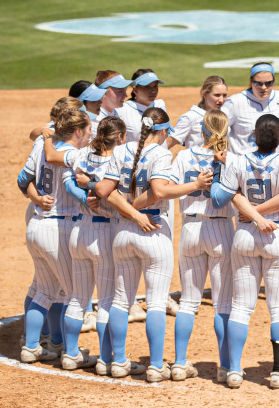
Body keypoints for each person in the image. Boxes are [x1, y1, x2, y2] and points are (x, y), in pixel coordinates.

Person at [95, 108, 211, 382]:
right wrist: (193, 184)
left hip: (123, 233)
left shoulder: (121, 150)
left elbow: (102, 191)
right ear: (164, 131)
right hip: (153, 232)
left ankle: (119, 362)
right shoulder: (160, 153)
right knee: (157, 302)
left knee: (121, 300)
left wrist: (130, 210)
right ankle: (157, 366)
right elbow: (159, 191)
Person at [210, 114, 279, 390]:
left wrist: (218, 169)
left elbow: (217, 199)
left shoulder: (238, 160)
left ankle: (234, 370)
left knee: (240, 306)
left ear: (254, 136)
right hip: (277, 235)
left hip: (245, 235)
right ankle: (277, 373)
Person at [42, 116, 126, 374]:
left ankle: (70, 354)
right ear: (121, 138)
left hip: (79, 231)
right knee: (108, 299)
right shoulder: (119, 159)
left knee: (77, 298)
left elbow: (58, 166)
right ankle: (105, 359)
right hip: (105, 233)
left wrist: (45, 135)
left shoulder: (81, 155)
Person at [18, 110, 92, 364]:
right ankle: (70, 353)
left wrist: (37, 199)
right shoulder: (72, 153)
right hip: (58, 228)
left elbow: (23, 179)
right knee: (73, 295)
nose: (91, 134)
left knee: (45, 291)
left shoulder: (41, 146)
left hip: (36, 225)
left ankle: (31, 347)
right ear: (78, 131)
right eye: (89, 130)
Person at [171, 109, 236, 382]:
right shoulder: (232, 159)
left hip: (190, 228)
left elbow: (169, 188)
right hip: (220, 229)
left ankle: (179, 363)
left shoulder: (184, 155)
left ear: (201, 131)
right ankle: (224, 366)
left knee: (188, 301)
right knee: (223, 304)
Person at [221, 62, 279, 157]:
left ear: (274, 81)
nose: (264, 87)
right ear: (251, 82)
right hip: (244, 166)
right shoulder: (235, 102)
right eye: (258, 83)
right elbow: (217, 131)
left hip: (277, 166)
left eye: (268, 83)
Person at [168, 76, 228, 150]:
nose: (221, 100)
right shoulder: (191, 117)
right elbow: (169, 143)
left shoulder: (226, 113)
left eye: (224, 95)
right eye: (217, 95)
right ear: (205, 94)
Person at [119, 69, 168, 143]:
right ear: (135, 90)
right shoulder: (124, 109)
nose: (153, 91)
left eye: (155, 86)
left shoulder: (160, 105)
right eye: (147, 87)